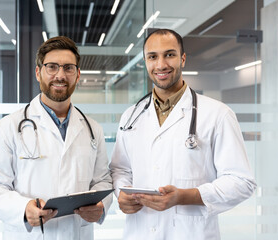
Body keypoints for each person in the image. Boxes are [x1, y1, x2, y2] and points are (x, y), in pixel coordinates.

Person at [109, 29, 256, 240]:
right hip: (139, 231)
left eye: (169, 54)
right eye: (153, 56)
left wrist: (185, 197)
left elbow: (242, 182)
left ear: (183, 59)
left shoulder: (218, 114)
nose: (161, 65)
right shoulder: (131, 116)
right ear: (145, 62)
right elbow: (119, 169)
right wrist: (122, 193)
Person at [0, 36, 112, 240]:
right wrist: (23, 208)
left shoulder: (93, 129)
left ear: (77, 75)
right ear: (38, 73)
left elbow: (102, 180)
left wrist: (101, 206)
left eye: (68, 68)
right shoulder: (10, 127)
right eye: (52, 67)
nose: (60, 75)